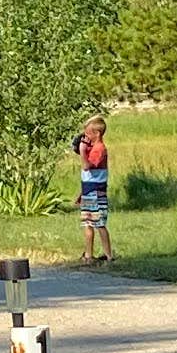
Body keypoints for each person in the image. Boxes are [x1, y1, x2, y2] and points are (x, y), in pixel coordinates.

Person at [74, 112, 114, 265]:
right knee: (87, 224)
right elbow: (88, 177)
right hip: (89, 192)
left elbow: (86, 167)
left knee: (100, 224)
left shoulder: (100, 149)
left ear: (97, 133)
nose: (85, 137)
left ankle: (109, 255)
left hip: (97, 194)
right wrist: (81, 194)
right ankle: (88, 255)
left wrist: (83, 151)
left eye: (88, 133)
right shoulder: (93, 149)